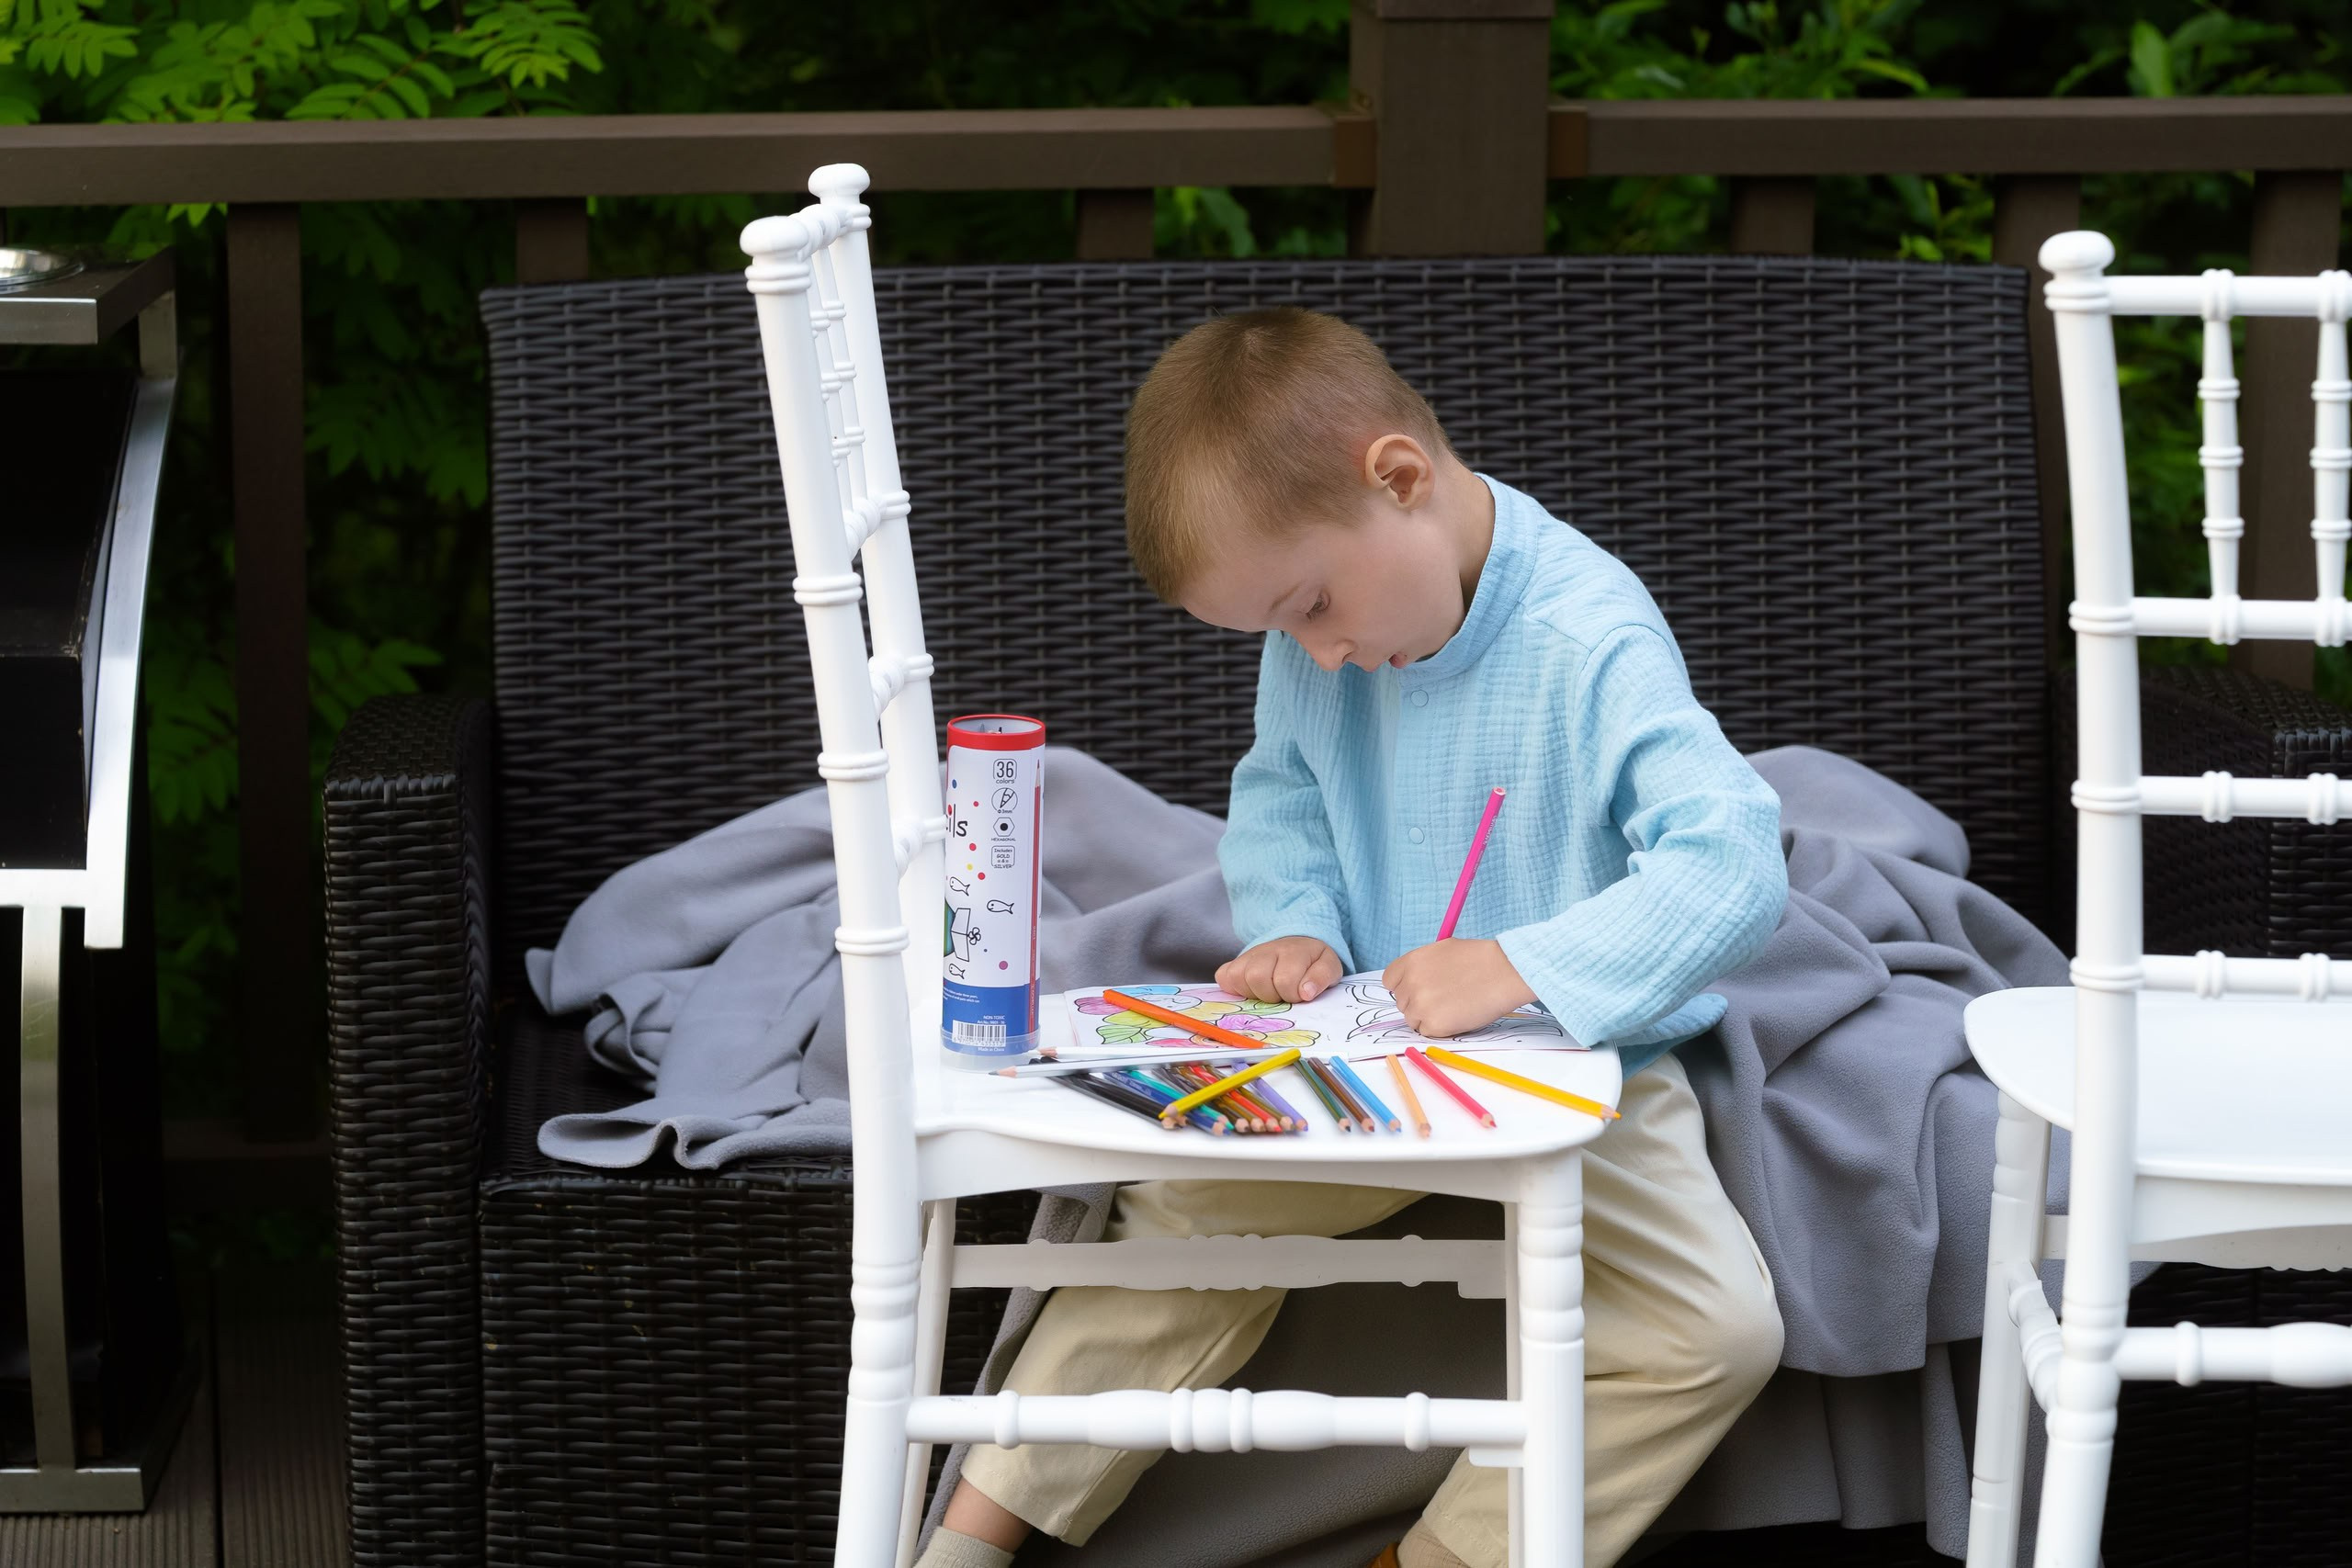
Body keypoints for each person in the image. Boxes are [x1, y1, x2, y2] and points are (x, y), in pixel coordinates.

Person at [917, 307, 1789, 1568]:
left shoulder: (1588, 639)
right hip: (1358, 1063)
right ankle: (973, 1532)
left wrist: (1522, 966)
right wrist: (1292, 928)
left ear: (1400, 479)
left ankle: (1437, 1561)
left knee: (1717, 1332)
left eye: (1314, 604)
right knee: (1181, 1214)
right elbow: (1281, 793)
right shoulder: (1319, 639)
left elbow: (1735, 862)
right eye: (1282, 630)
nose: (1318, 649)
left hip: (1582, 1075)